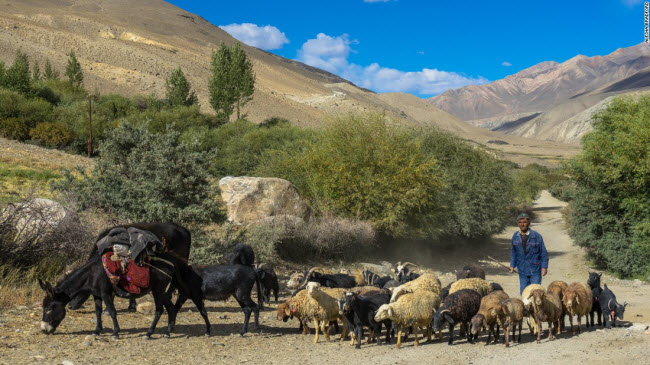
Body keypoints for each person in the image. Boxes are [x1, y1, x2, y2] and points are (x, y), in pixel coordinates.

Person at [509, 212, 548, 294]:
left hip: (535, 270)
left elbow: (543, 253)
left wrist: (544, 267)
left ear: (529, 223)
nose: (522, 224)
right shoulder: (515, 236)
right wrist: (512, 265)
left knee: (536, 292)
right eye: (520, 222)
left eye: (524, 222)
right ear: (518, 224)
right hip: (522, 270)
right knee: (524, 293)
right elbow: (513, 252)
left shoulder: (536, 236)